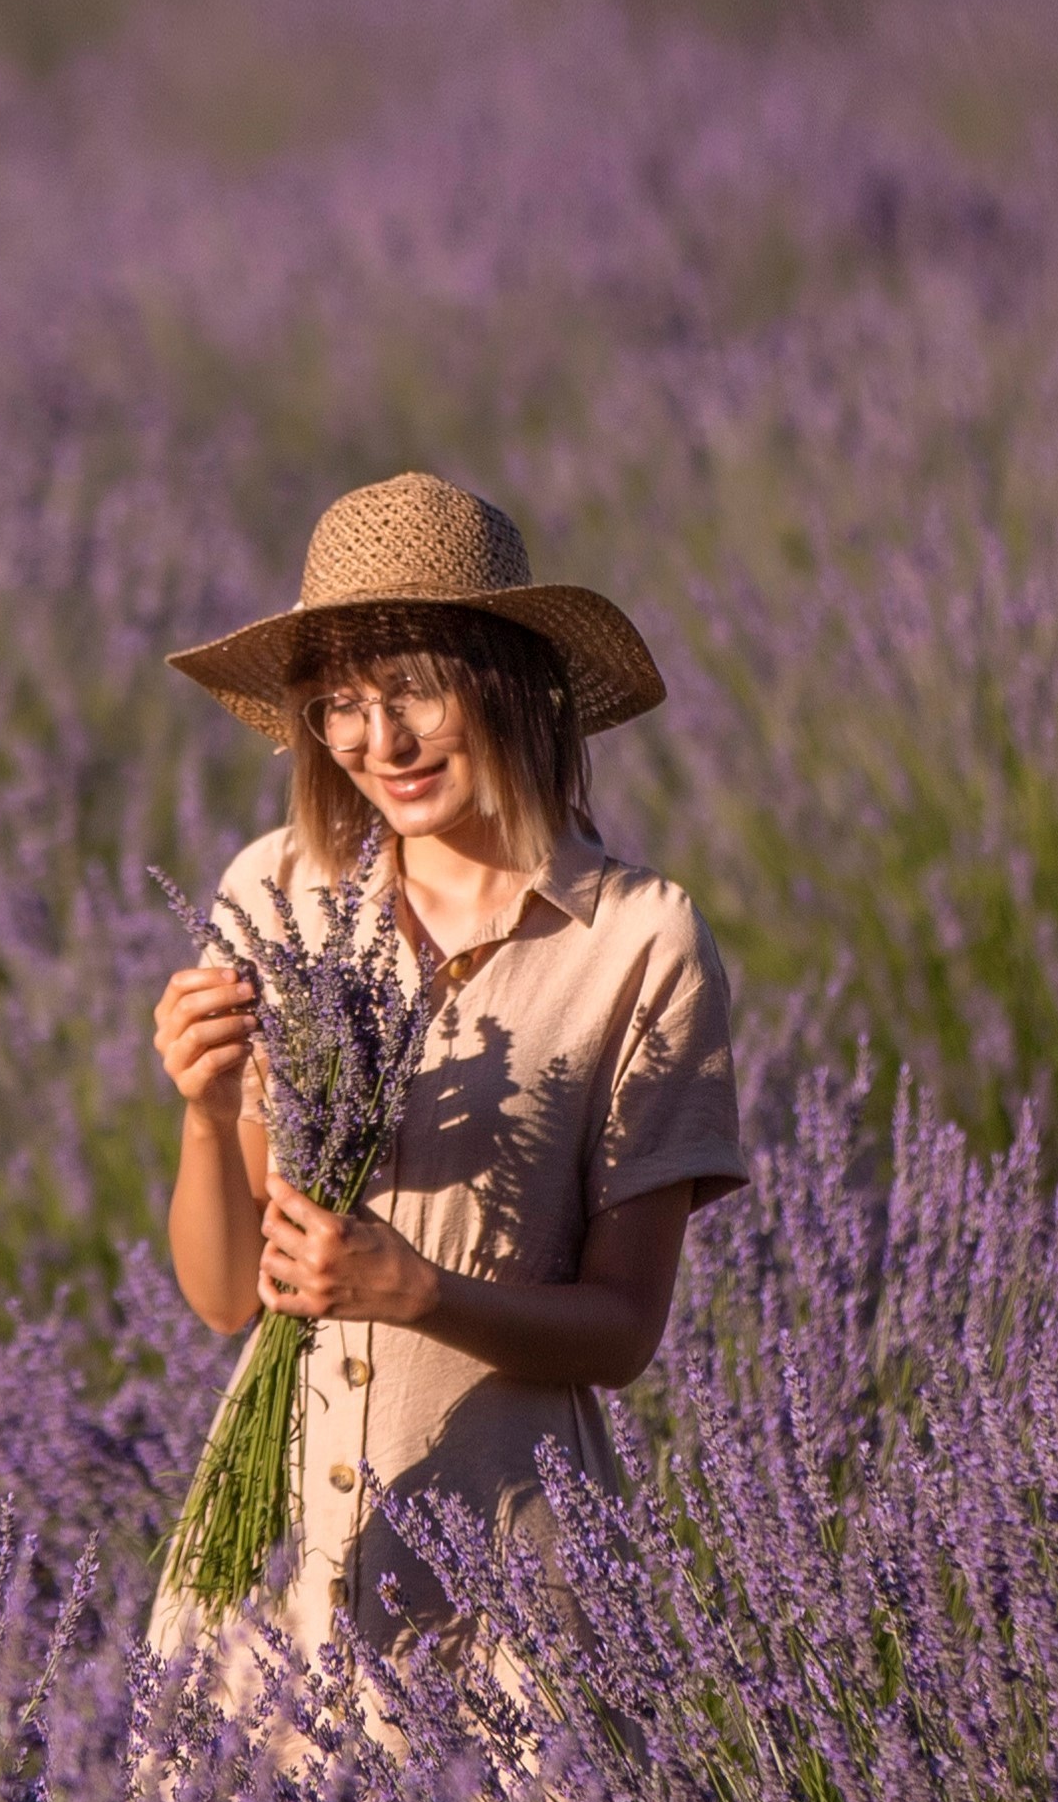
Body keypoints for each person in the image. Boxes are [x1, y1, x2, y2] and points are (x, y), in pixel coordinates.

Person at [142, 468, 747, 1685]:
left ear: (505, 682)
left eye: (413, 689)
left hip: (505, 1591)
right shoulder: (278, 892)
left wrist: (417, 1292)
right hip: (273, 1573)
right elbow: (225, 1303)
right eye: (340, 706)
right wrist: (207, 1117)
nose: (380, 742)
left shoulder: (639, 942)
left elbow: (621, 1332)